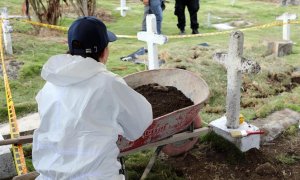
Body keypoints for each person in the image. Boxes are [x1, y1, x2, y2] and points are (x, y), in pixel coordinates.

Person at [32, 16, 153, 180]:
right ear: (104, 52)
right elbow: (140, 123)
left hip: (49, 175)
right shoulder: (108, 83)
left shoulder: (51, 83)